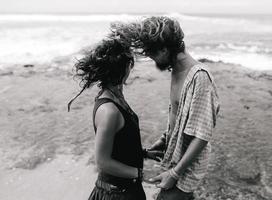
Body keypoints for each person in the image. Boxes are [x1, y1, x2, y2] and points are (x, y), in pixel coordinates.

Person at [111, 16, 220, 200]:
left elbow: (202, 136)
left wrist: (175, 173)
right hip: (176, 157)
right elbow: (178, 115)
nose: (152, 59)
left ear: (164, 49)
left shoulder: (200, 78)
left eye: (151, 54)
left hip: (187, 167)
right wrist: (165, 139)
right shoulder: (176, 70)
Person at [68, 38, 163, 200]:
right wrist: (142, 173)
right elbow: (103, 162)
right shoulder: (109, 110)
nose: (131, 69)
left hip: (126, 189)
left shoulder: (116, 97)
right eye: (130, 65)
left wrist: (145, 154)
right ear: (124, 68)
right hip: (115, 194)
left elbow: (119, 145)